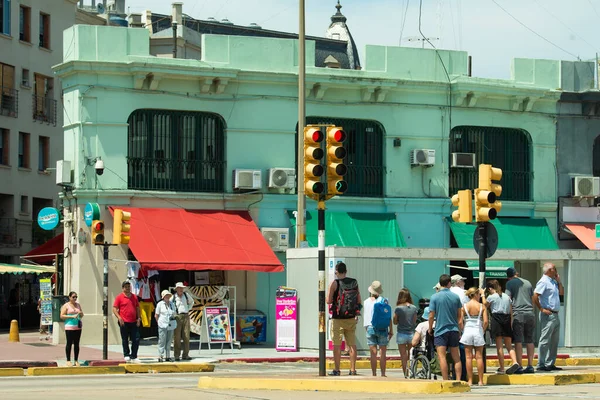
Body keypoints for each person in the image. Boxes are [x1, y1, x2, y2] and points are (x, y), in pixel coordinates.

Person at [326, 262, 361, 376]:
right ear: (346, 271)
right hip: (351, 317)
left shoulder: (335, 283)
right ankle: (352, 369)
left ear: (336, 271)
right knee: (352, 344)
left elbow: (328, 300)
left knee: (337, 345)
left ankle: (337, 369)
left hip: (337, 318)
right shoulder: (353, 282)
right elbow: (359, 300)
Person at [428, 274, 463, 381]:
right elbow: (460, 316)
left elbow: (431, 315)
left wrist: (430, 328)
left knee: (442, 357)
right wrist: (459, 330)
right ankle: (457, 380)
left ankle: (445, 380)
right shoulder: (455, 297)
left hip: (440, 330)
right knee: (456, 357)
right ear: (449, 283)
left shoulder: (435, 297)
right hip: (453, 330)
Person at [533, 262, 564, 372]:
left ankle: (550, 363)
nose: (556, 270)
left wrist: (559, 281)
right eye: (554, 268)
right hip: (548, 314)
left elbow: (561, 293)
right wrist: (541, 309)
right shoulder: (544, 281)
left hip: (555, 314)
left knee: (554, 340)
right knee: (545, 340)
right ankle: (541, 364)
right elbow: (535, 296)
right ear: (549, 270)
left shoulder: (553, 282)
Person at [505, 267, 536, 374]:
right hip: (530, 313)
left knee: (518, 340)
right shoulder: (527, 282)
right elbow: (532, 298)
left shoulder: (509, 284)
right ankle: (530, 365)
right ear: (516, 274)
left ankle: (519, 365)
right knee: (530, 340)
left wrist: (510, 316)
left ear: (508, 277)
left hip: (518, 313)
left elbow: (508, 299)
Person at [486, 279, 520, 374]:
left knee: (499, 346)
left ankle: (502, 367)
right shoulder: (507, 297)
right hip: (506, 318)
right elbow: (511, 310)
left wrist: (482, 295)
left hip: (496, 319)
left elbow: (485, 306)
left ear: (490, 288)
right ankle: (515, 362)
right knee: (509, 345)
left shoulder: (491, 297)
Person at [363, 281, 393, 377]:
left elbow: (366, 317)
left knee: (373, 353)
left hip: (370, 328)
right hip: (382, 328)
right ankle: (383, 374)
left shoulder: (366, 302)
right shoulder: (383, 301)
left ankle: (374, 373)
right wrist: (391, 330)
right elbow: (388, 316)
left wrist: (367, 329)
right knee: (382, 352)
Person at [460, 288, 488, 386]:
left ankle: (470, 380)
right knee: (479, 357)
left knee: (468, 357)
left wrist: (463, 330)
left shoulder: (464, 306)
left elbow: (460, 322)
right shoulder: (482, 306)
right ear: (476, 294)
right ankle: (480, 380)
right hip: (478, 330)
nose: (480, 296)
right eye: (479, 294)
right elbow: (485, 322)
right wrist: (483, 330)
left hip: (467, 330)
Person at [112, 281, 141, 363]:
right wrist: (119, 317)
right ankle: (126, 354)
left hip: (133, 321)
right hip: (124, 322)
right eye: (126, 287)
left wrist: (138, 318)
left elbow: (137, 308)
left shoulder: (134, 297)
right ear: (123, 288)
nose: (128, 288)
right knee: (125, 339)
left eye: (129, 286)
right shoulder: (119, 297)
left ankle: (134, 355)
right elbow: (114, 309)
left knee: (136, 338)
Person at [393, 288, 418, 377]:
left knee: (403, 355)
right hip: (411, 333)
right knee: (411, 355)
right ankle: (412, 371)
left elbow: (395, 321)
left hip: (401, 334)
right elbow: (415, 321)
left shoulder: (398, 308)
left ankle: (406, 374)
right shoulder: (414, 308)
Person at [60, 291, 83, 367]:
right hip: (69, 327)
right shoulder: (66, 306)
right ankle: (68, 360)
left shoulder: (78, 305)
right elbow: (62, 316)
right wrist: (71, 316)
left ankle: (76, 360)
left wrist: (81, 313)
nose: (75, 298)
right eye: (73, 297)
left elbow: (82, 315)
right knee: (69, 343)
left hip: (77, 327)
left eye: (76, 297)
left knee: (77, 344)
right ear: (69, 297)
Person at [172, 282, 194, 361]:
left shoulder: (186, 295)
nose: (181, 289)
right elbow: (171, 305)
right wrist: (174, 313)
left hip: (186, 316)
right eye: (179, 288)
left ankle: (185, 354)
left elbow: (192, 302)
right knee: (177, 337)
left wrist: (188, 309)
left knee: (186, 336)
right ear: (177, 289)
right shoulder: (173, 297)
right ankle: (177, 355)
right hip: (177, 316)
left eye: (182, 288)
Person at [155, 290, 176, 362]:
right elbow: (156, 315)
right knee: (162, 341)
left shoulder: (172, 304)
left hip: (171, 324)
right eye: (166, 295)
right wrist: (158, 323)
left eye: (168, 295)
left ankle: (168, 356)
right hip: (162, 324)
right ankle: (160, 356)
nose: (167, 297)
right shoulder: (160, 304)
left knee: (169, 340)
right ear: (163, 297)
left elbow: (174, 313)